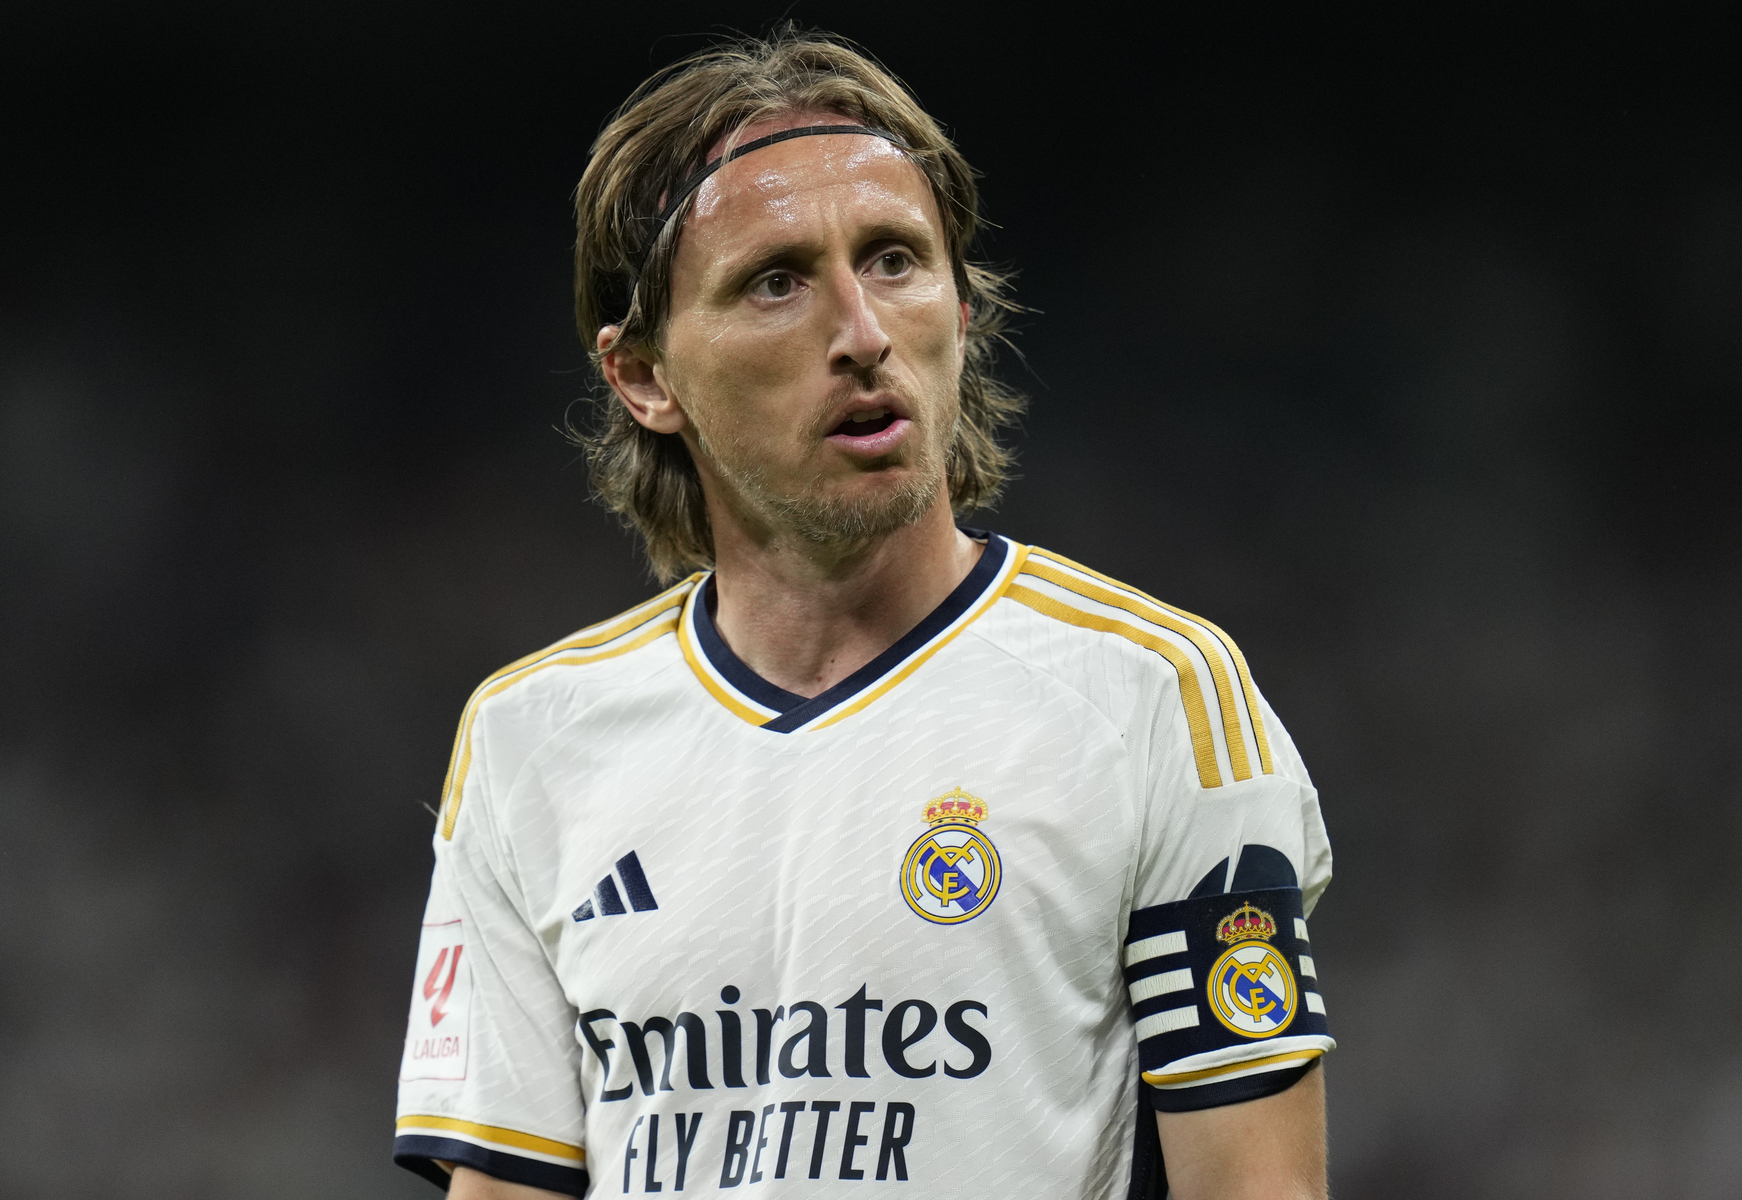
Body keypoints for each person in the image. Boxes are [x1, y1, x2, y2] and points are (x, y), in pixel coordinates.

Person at [393, 30, 1335, 1200]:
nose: (862, 332)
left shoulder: (1155, 698)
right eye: (775, 280)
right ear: (644, 377)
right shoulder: (530, 741)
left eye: (894, 259)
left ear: (961, 305)